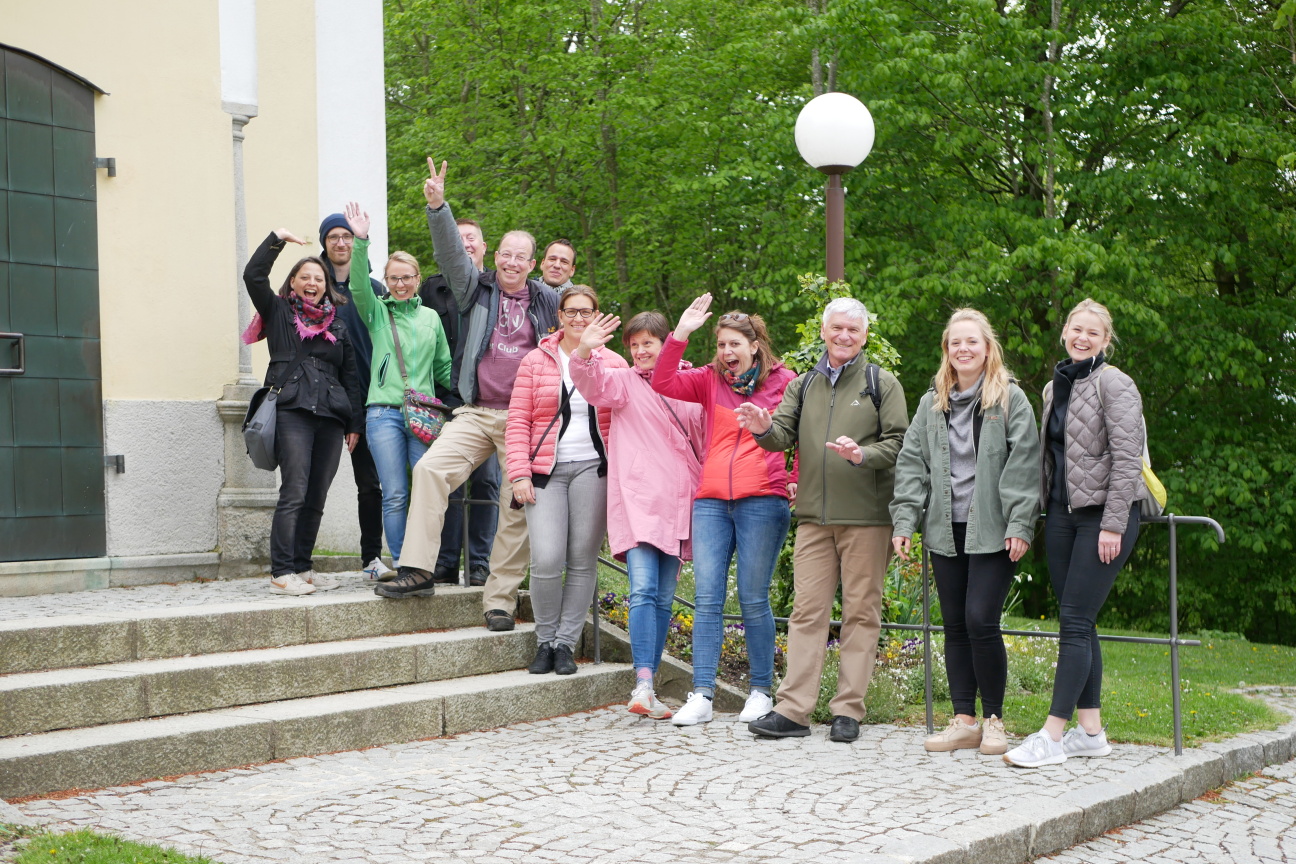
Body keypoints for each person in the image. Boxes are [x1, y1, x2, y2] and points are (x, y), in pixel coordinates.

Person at [377, 158, 560, 627]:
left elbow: (580, 318)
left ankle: (498, 600)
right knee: (431, 470)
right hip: (477, 412)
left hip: (525, 420)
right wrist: (437, 206)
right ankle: (418, 568)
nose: (513, 261)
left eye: (522, 256)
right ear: (495, 255)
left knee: (516, 504)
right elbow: (451, 254)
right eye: (506, 253)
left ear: (532, 263)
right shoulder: (473, 289)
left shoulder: (546, 300)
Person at [736, 298, 909, 742]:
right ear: (824, 331)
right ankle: (794, 711)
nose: (845, 336)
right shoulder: (805, 383)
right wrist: (760, 426)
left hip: (867, 519)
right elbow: (779, 438)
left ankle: (848, 711)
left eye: (853, 329)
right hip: (813, 517)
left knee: (861, 614)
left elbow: (901, 444)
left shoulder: (881, 382)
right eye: (837, 328)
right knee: (806, 612)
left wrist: (862, 455)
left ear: (864, 335)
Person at [1004, 298, 1149, 768]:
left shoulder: (1116, 383)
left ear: (1106, 341)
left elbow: (1128, 458)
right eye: (1076, 329)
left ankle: (1051, 734)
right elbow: (1051, 458)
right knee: (1079, 622)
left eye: (1093, 332)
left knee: (1075, 622)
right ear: (1064, 333)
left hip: (1106, 517)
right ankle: (1091, 732)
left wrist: (1113, 523)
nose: (1082, 337)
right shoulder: (1053, 388)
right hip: (1063, 517)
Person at [889, 308, 1040, 755]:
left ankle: (994, 720)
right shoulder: (931, 402)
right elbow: (912, 463)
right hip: (944, 528)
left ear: (987, 347)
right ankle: (964, 721)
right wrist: (904, 520)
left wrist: (1019, 523)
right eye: (955, 342)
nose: (963, 349)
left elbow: (1025, 465)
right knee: (954, 624)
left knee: (981, 620)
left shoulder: (1010, 400)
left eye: (971, 341)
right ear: (947, 350)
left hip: (993, 530)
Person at [651, 293, 797, 727]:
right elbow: (662, 382)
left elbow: (800, 434)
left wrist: (796, 482)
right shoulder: (709, 380)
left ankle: (760, 691)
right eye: (721, 345)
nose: (727, 353)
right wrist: (680, 334)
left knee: (753, 597)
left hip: (764, 499)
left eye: (735, 344)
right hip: (712, 500)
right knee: (707, 599)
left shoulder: (786, 382)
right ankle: (701, 694)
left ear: (755, 346)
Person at [570, 310, 705, 718]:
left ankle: (649, 685)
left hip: (682, 501)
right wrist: (585, 351)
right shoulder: (623, 383)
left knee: (664, 598)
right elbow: (591, 383)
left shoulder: (692, 382)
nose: (641, 351)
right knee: (644, 590)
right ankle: (642, 682)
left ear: (667, 342)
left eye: (648, 342)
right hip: (640, 501)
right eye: (634, 345)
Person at [506, 286, 627, 675]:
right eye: (571, 311)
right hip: (545, 473)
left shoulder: (613, 362)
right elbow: (518, 421)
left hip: (594, 469)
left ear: (596, 315)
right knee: (545, 558)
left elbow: (631, 413)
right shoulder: (535, 360)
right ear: (559, 315)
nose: (578, 319)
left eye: (586, 312)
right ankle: (544, 640)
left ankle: (565, 644)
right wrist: (519, 474)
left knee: (581, 560)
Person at [242, 228, 365, 595]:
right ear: (293, 283)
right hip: (293, 410)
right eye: (305, 277)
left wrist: (354, 422)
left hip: (330, 415)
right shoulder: (278, 311)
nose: (312, 283)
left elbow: (351, 376)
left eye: (319, 278)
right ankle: (281, 571)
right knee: (294, 490)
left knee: (317, 494)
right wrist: (276, 240)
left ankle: (302, 566)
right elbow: (253, 276)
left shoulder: (338, 326)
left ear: (327, 286)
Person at [339, 203, 452, 571]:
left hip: (423, 414)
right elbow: (357, 284)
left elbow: (444, 368)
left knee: (426, 492)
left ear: (418, 278)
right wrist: (360, 242)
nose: (400, 284)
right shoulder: (377, 312)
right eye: (394, 279)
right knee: (395, 494)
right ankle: (405, 563)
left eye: (406, 277)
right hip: (383, 414)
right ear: (386, 281)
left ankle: (425, 563)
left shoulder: (431, 318)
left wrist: (475, 393)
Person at [418, 218, 501, 588]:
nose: (466, 243)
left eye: (472, 238)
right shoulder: (431, 289)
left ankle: (480, 562)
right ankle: (445, 562)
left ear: (485, 248)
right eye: (459, 238)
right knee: (445, 479)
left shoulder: (500, 289)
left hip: (488, 399)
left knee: (487, 482)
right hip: (443, 397)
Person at [317, 213, 389, 580]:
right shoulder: (313, 286)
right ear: (324, 243)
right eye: (334, 237)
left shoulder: (374, 290)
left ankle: (371, 558)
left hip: (368, 396)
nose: (341, 243)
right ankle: (299, 562)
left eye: (347, 236)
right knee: (314, 481)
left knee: (370, 484)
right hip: (325, 399)